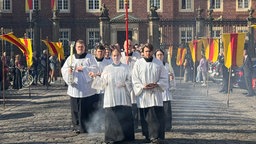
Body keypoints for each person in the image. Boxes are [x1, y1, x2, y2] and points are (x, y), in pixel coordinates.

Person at [90, 47, 135, 144]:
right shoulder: (107, 69)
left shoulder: (126, 68)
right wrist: (95, 77)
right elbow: (102, 83)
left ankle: (126, 137)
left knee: (123, 117)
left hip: (123, 96)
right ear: (111, 56)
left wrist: (125, 84)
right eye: (114, 55)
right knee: (112, 118)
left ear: (120, 56)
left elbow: (131, 81)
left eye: (117, 55)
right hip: (111, 97)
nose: (116, 57)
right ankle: (112, 137)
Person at [132, 43, 168, 143]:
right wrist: (142, 86)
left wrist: (157, 84)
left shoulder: (158, 63)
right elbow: (134, 79)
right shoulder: (138, 63)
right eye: (146, 51)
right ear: (142, 53)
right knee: (146, 115)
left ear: (152, 52)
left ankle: (156, 136)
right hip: (143, 94)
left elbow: (164, 77)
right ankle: (147, 135)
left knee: (155, 115)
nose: (148, 53)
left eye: (150, 51)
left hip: (155, 93)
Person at [61, 39, 99, 134]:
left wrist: (84, 69)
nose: (80, 48)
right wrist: (69, 72)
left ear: (84, 47)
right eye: (78, 47)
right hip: (75, 88)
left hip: (87, 89)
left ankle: (87, 126)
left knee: (86, 108)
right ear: (75, 48)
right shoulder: (71, 58)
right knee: (75, 109)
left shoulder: (89, 57)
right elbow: (64, 69)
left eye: (82, 47)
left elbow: (95, 69)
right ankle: (76, 126)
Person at [121, 39, 141, 131]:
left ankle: (135, 124)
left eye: (130, 45)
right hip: (123, 84)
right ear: (123, 46)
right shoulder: (120, 56)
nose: (128, 47)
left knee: (134, 103)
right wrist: (125, 62)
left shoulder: (137, 56)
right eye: (126, 45)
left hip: (133, 83)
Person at [155, 49, 173, 131]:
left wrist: (171, 78)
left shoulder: (167, 66)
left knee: (166, 110)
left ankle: (167, 126)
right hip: (156, 91)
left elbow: (172, 77)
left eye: (161, 55)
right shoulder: (153, 65)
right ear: (155, 56)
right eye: (158, 55)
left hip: (165, 91)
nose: (159, 56)